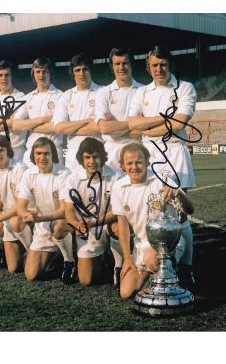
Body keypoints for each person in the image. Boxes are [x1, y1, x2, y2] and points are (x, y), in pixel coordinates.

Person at [127, 45, 197, 288]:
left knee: (180, 214)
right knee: (156, 211)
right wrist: (163, 122)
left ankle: (186, 267)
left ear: (170, 64)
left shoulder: (185, 87)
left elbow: (179, 124)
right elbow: (132, 125)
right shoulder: (141, 92)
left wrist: (147, 128)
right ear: (148, 66)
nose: (159, 69)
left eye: (163, 64)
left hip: (175, 153)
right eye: (154, 65)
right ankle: (163, 264)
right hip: (150, 155)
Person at [111, 143, 194, 299]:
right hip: (141, 245)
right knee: (126, 292)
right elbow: (122, 226)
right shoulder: (118, 187)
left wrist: (178, 194)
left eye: (138, 162)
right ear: (123, 166)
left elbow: (189, 210)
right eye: (129, 163)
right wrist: (127, 259)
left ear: (147, 162)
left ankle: (172, 275)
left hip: (168, 243)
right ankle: (158, 276)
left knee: (152, 261)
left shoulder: (161, 179)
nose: (134, 167)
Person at [94, 47, 143, 284]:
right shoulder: (103, 93)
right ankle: (118, 263)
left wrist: (118, 125)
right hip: (111, 162)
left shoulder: (143, 91)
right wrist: (131, 125)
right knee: (113, 217)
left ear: (131, 64)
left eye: (125, 63)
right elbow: (104, 128)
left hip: (136, 160)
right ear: (111, 67)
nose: (121, 67)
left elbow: (141, 129)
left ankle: (141, 260)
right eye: (117, 64)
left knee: (140, 214)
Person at [16, 137, 75, 284]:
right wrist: (26, 215)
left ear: (53, 155)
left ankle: (70, 261)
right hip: (43, 227)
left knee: (59, 225)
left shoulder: (64, 174)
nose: (42, 157)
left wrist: (40, 218)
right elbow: (20, 207)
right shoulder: (29, 174)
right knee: (31, 274)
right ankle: (55, 255)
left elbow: (64, 211)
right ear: (33, 155)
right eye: (39, 153)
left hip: (65, 225)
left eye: (46, 154)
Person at [64, 137, 120, 286]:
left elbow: (117, 211)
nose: (92, 161)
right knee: (86, 280)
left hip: (106, 224)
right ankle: (101, 260)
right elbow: (68, 211)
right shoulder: (73, 179)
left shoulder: (115, 176)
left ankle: (118, 265)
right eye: (87, 157)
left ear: (102, 157)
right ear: (81, 159)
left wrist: (95, 222)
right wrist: (77, 225)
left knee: (119, 227)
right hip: (86, 229)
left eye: (95, 157)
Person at [0, 135, 31, 272]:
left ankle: (31, 249)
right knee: (13, 269)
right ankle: (1, 248)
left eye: (1, 150)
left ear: (8, 150)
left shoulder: (19, 168)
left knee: (14, 221)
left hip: (26, 214)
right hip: (9, 215)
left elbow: (21, 206)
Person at [53, 53, 102, 170]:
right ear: (73, 73)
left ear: (90, 70)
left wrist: (72, 128)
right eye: (77, 70)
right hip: (73, 155)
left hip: (97, 153)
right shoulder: (66, 96)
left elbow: (104, 126)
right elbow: (59, 128)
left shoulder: (103, 92)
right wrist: (89, 121)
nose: (82, 73)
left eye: (85, 69)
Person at [13, 57, 63, 168]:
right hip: (31, 153)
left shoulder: (60, 96)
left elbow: (56, 126)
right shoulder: (28, 98)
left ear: (50, 73)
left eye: (45, 71)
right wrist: (43, 119)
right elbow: (16, 124)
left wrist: (29, 125)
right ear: (33, 74)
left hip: (53, 152)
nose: (41, 75)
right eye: (38, 72)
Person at [0, 60, 27, 162]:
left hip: (16, 153)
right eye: (0, 75)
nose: (3, 78)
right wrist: (8, 120)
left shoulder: (21, 97)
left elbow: (14, 123)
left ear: (12, 77)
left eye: (6, 75)